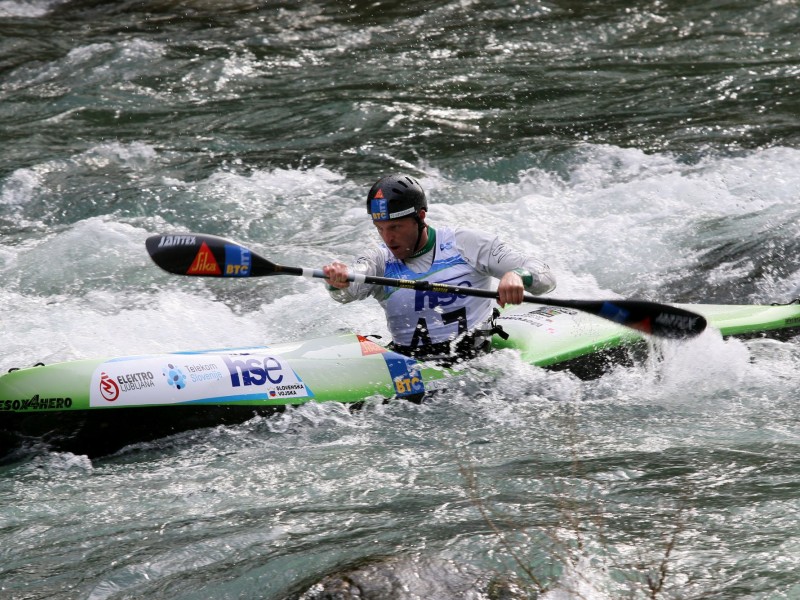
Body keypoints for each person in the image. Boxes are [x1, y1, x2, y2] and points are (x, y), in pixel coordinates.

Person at [323, 174, 556, 362]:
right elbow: (347, 292)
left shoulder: (465, 244)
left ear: (420, 217)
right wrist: (338, 281)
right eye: (380, 228)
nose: (388, 238)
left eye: (395, 227)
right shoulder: (379, 260)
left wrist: (518, 276)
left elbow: (545, 275)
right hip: (409, 366)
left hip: (474, 362)